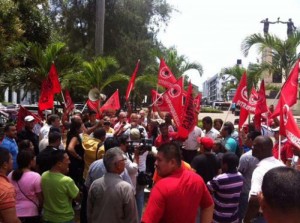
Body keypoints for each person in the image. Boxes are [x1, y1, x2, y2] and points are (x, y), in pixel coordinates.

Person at [142, 142, 214, 223]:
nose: (155, 163)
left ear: (172, 162)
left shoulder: (161, 187)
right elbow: (209, 206)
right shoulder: (197, 179)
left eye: (159, 160)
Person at [87, 147, 138, 223]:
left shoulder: (95, 184)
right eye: (123, 160)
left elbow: (89, 212)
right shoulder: (125, 188)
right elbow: (132, 218)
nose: (125, 162)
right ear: (118, 165)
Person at [244, 136, 284, 223]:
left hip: (263, 218)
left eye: (254, 146)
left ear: (261, 149)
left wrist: (246, 220)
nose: (252, 148)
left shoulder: (260, 170)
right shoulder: (281, 165)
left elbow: (254, 201)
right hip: (280, 216)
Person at [42, 150, 79, 223]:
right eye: (67, 160)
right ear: (59, 164)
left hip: (48, 217)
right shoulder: (66, 181)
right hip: (64, 218)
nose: (69, 162)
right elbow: (77, 197)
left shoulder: (44, 176)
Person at [207, 152, 244, 223]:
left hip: (219, 217)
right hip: (234, 217)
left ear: (225, 165)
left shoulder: (219, 179)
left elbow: (208, 187)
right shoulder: (241, 177)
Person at [8, 150, 42, 223]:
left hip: (15, 212)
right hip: (31, 212)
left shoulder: (11, 174)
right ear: (30, 161)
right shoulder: (36, 176)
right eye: (34, 159)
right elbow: (40, 198)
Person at [238, 131, 261, 221]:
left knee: (244, 215)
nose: (244, 140)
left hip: (246, 192)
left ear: (251, 140)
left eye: (246, 138)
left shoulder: (246, 157)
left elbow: (239, 173)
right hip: (260, 193)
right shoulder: (267, 155)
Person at [0, 147, 20, 223]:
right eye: (11, 159)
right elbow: (12, 220)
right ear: (5, 165)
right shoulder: (6, 189)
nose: (13, 161)